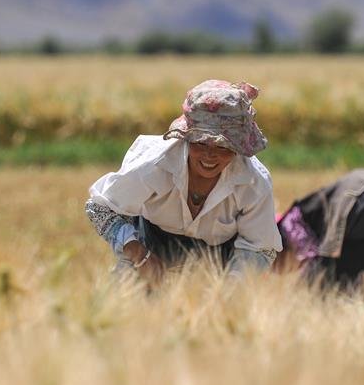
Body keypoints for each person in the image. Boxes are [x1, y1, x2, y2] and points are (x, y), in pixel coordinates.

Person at [86, 80, 282, 286]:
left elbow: (260, 247)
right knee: (125, 305)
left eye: (224, 146)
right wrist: (138, 254)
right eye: (200, 142)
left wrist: (229, 292)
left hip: (223, 255)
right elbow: (99, 208)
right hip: (149, 242)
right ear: (186, 137)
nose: (210, 155)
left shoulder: (253, 181)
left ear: (238, 147)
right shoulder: (153, 165)